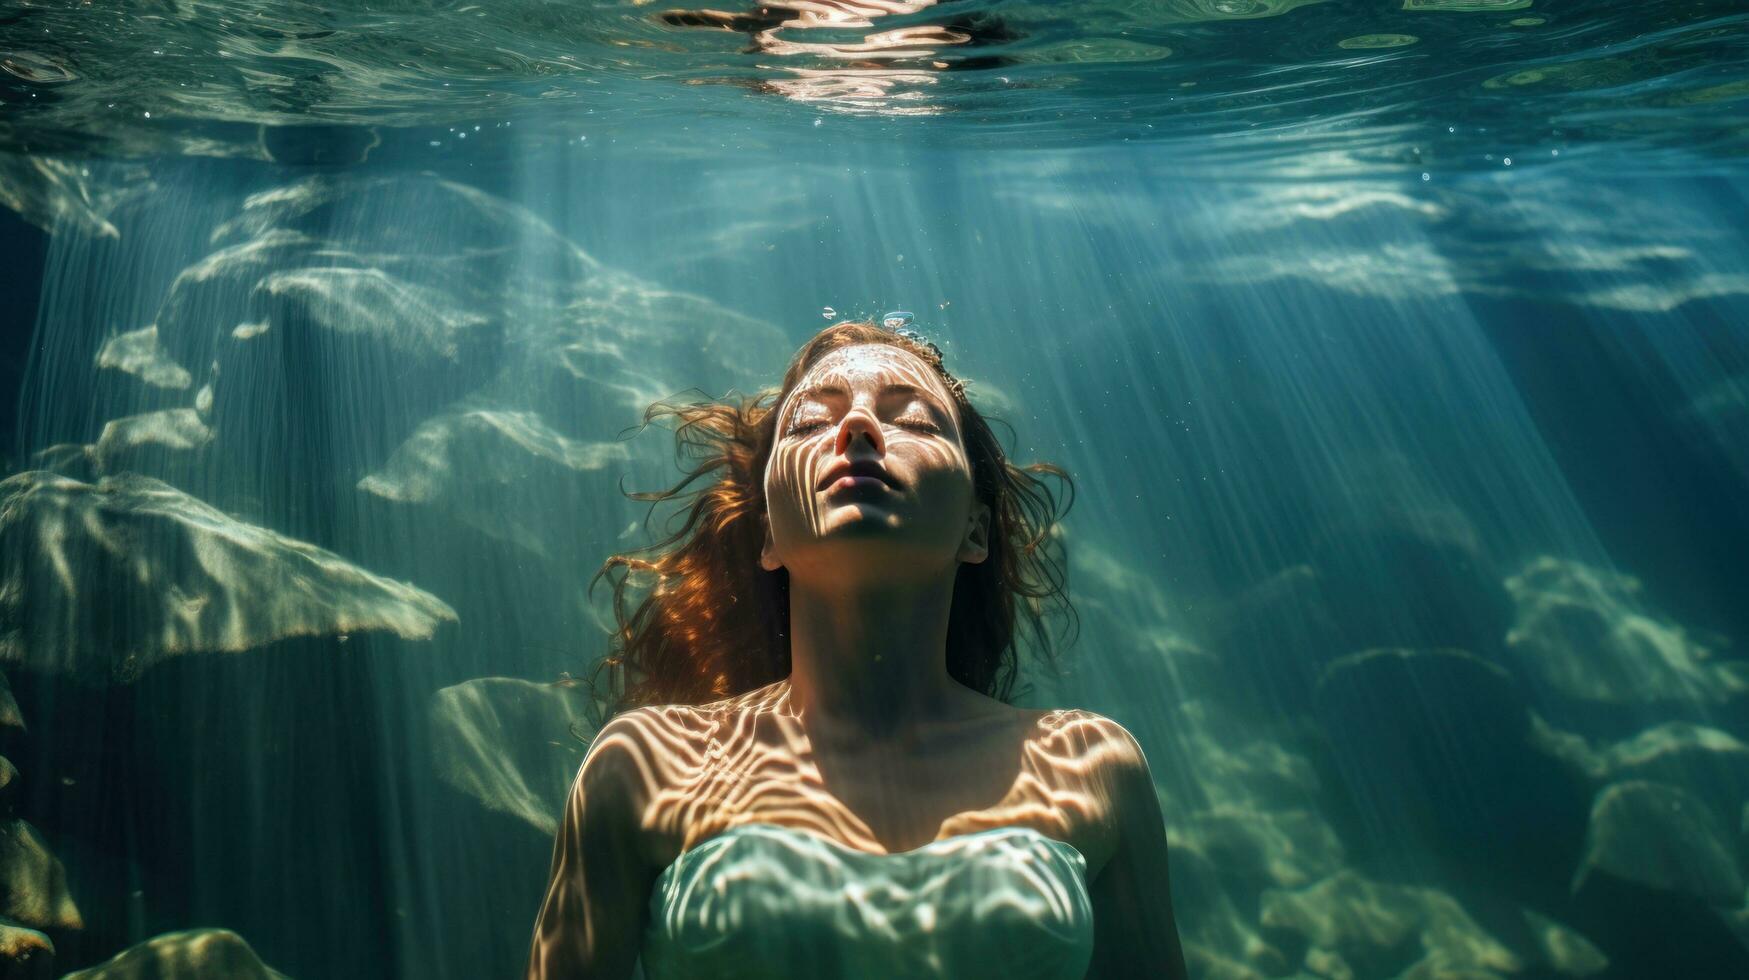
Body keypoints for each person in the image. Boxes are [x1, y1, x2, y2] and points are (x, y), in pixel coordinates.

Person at [525, 319, 1186, 979]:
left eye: (916, 422)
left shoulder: (1092, 765)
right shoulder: (643, 764)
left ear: (975, 528)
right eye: (810, 423)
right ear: (768, 538)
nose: (856, 429)